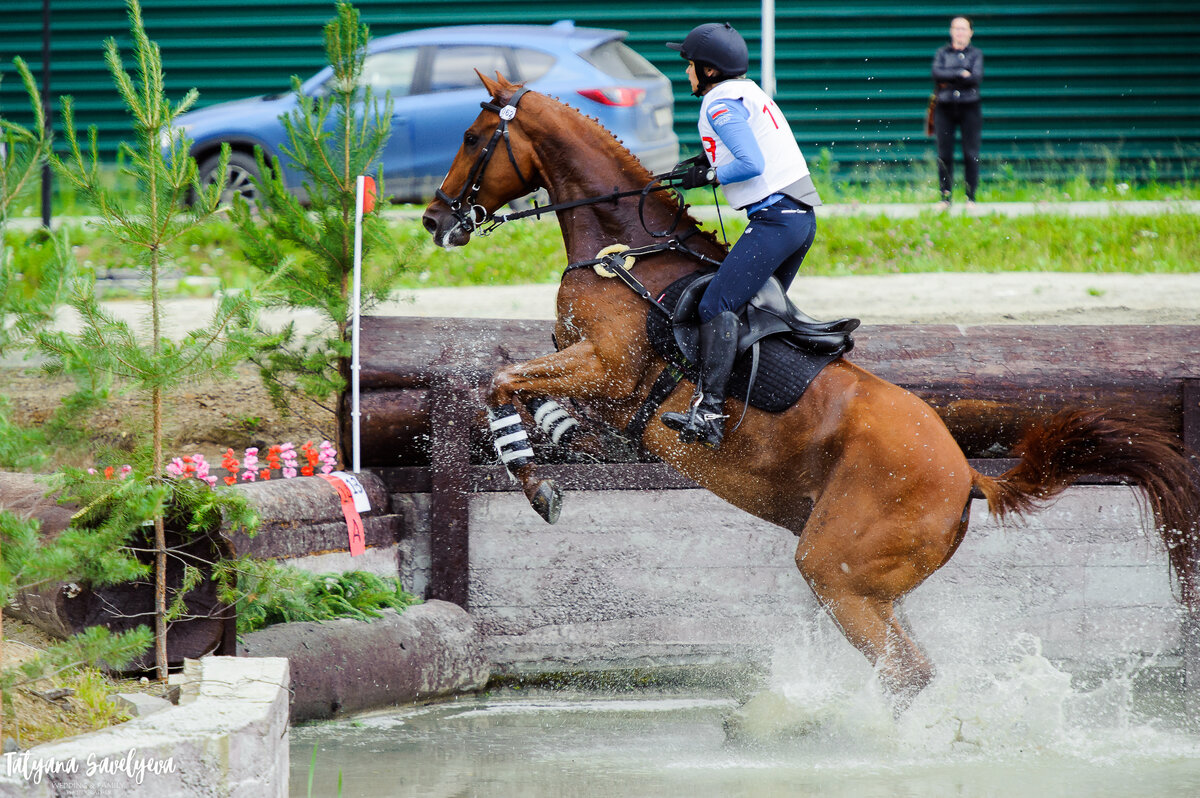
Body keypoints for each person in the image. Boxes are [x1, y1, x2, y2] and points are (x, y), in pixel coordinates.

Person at [660, 22, 822, 450]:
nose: (688, 73)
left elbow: (749, 162)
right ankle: (753, 409)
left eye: (690, 65)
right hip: (797, 219)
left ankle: (709, 413)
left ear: (709, 71)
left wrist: (709, 175)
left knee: (718, 303)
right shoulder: (747, 92)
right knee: (748, 316)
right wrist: (702, 160)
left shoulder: (718, 103)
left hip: (776, 221)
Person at [931, 16, 983, 208]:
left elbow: (976, 77)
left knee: (970, 153)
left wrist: (951, 75)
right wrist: (961, 72)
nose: (960, 32)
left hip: (970, 107)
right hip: (944, 108)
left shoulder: (976, 54)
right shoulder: (942, 53)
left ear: (971, 32)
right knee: (944, 154)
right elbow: (937, 74)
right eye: (956, 28)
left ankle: (971, 197)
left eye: (964, 29)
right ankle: (945, 198)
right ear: (951, 31)